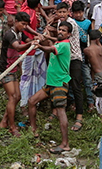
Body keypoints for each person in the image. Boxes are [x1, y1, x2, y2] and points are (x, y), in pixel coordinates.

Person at [28, 20, 74, 153]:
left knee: (60, 111)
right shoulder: (59, 42)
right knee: (32, 101)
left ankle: (65, 143)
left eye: (63, 30)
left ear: (69, 34)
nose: (60, 32)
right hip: (51, 83)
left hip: (59, 83)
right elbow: (52, 43)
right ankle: (34, 131)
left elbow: (50, 49)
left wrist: (39, 46)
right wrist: (45, 38)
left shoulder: (64, 45)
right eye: (59, 29)